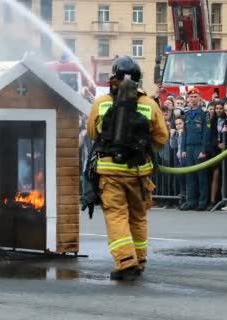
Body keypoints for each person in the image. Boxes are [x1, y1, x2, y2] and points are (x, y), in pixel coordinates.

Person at [85, 55, 168, 281]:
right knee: (138, 217)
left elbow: (93, 133)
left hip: (110, 171)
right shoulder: (150, 104)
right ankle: (139, 260)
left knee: (117, 216)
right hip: (139, 172)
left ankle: (125, 262)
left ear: (114, 77)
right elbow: (162, 137)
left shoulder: (101, 103)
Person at [179, 88, 210, 211]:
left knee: (201, 176)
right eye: (191, 97)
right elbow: (184, 133)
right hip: (189, 147)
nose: (193, 99)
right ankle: (191, 201)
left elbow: (206, 133)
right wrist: (184, 149)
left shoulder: (204, 114)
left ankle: (202, 201)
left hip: (199, 147)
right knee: (190, 176)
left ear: (199, 98)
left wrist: (203, 150)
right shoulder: (186, 114)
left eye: (195, 96)